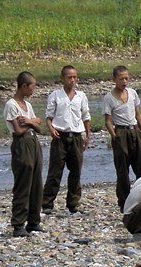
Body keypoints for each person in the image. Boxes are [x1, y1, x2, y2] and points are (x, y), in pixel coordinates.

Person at [42, 65, 91, 214]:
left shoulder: (81, 96)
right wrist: (51, 129)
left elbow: (86, 116)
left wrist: (87, 135)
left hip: (76, 136)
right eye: (69, 77)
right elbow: (49, 116)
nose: (72, 80)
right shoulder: (56, 95)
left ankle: (73, 203)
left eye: (75, 77)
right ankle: (47, 203)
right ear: (62, 78)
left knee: (76, 171)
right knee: (55, 171)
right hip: (60, 136)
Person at [104, 65, 141, 212]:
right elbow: (107, 120)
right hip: (121, 132)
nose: (124, 81)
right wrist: (115, 137)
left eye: (126, 78)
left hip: (134, 130)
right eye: (121, 79)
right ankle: (124, 202)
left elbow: (138, 114)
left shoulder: (132, 93)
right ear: (114, 80)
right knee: (123, 171)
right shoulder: (109, 98)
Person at [3, 71, 44, 237]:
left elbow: (40, 128)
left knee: (36, 183)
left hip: (34, 143)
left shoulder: (28, 105)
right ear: (24, 86)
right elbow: (19, 130)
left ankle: (34, 221)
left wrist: (29, 121)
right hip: (22, 144)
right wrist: (32, 122)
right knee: (23, 184)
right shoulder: (11, 105)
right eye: (32, 86)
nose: (33, 90)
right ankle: (18, 223)